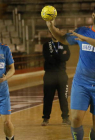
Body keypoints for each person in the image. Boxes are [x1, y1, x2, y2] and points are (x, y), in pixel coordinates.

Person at [46, 8, 95, 140]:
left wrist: (85, 39)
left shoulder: (83, 35)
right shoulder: (82, 31)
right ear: (93, 15)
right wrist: (51, 26)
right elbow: (62, 38)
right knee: (75, 119)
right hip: (82, 83)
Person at [41, 33, 71, 126]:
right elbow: (48, 58)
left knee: (63, 98)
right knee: (48, 98)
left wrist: (54, 55)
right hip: (49, 75)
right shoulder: (46, 45)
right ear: (50, 34)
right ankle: (45, 118)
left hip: (62, 75)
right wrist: (60, 56)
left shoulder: (65, 44)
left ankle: (65, 118)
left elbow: (66, 57)